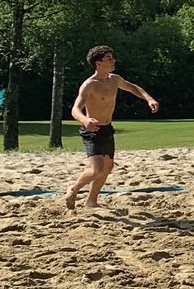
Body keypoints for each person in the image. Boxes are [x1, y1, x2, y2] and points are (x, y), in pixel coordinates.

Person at [66, 45, 159, 211]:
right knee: (97, 170)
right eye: (109, 59)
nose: (113, 61)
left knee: (107, 168)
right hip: (92, 130)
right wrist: (85, 120)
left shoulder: (114, 79)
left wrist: (149, 99)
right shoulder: (89, 85)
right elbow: (75, 109)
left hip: (107, 129)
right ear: (98, 63)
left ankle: (91, 201)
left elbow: (133, 88)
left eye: (112, 57)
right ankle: (73, 189)